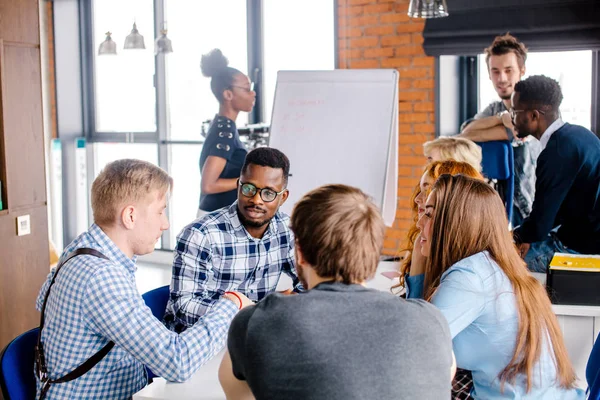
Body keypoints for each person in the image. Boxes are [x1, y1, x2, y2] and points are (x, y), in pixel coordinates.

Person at [35, 159, 252, 399]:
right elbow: (177, 362)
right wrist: (232, 303)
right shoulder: (101, 277)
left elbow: (42, 302)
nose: (165, 224)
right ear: (130, 216)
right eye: (160, 211)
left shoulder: (81, 248)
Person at [218, 184, 455, 400]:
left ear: (299, 252)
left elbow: (241, 395)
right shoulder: (432, 320)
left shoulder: (257, 322)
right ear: (374, 254)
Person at [407, 174, 583, 399]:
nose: (419, 221)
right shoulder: (493, 266)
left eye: (429, 214)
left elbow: (411, 342)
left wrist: (417, 268)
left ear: (454, 223)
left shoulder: (469, 278)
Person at [164, 147, 302, 334]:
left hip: (253, 336)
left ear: (283, 197)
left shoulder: (288, 229)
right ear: (239, 186)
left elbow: (309, 282)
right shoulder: (200, 235)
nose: (256, 200)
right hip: (200, 342)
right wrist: (254, 313)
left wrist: (292, 301)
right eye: (249, 188)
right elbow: (184, 307)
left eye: (268, 193)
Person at [511, 75, 600, 272]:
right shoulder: (579, 135)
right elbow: (553, 214)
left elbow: (540, 225)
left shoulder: (555, 152)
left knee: (500, 263)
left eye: (514, 111)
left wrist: (511, 237)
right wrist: (527, 235)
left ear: (534, 116)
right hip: (587, 237)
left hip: (582, 250)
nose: (511, 118)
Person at [459, 33, 540, 227]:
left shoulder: (534, 108)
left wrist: (495, 129)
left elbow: (513, 133)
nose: (501, 78)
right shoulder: (495, 109)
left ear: (522, 70)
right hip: (501, 209)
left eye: (508, 70)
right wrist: (500, 119)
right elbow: (465, 132)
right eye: (495, 71)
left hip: (534, 210)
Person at [396, 160, 483, 290]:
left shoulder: (466, 271)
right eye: (420, 190)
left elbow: (418, 308)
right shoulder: (426, 239)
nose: (417, 198)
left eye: (427, 190)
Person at [197, 48, 256, 217]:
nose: (253, 93)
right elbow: (208, 185)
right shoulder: (225, 131)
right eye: (246, 89)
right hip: (215, 217)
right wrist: (248, 181)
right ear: (228, 94)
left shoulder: (223, 125)